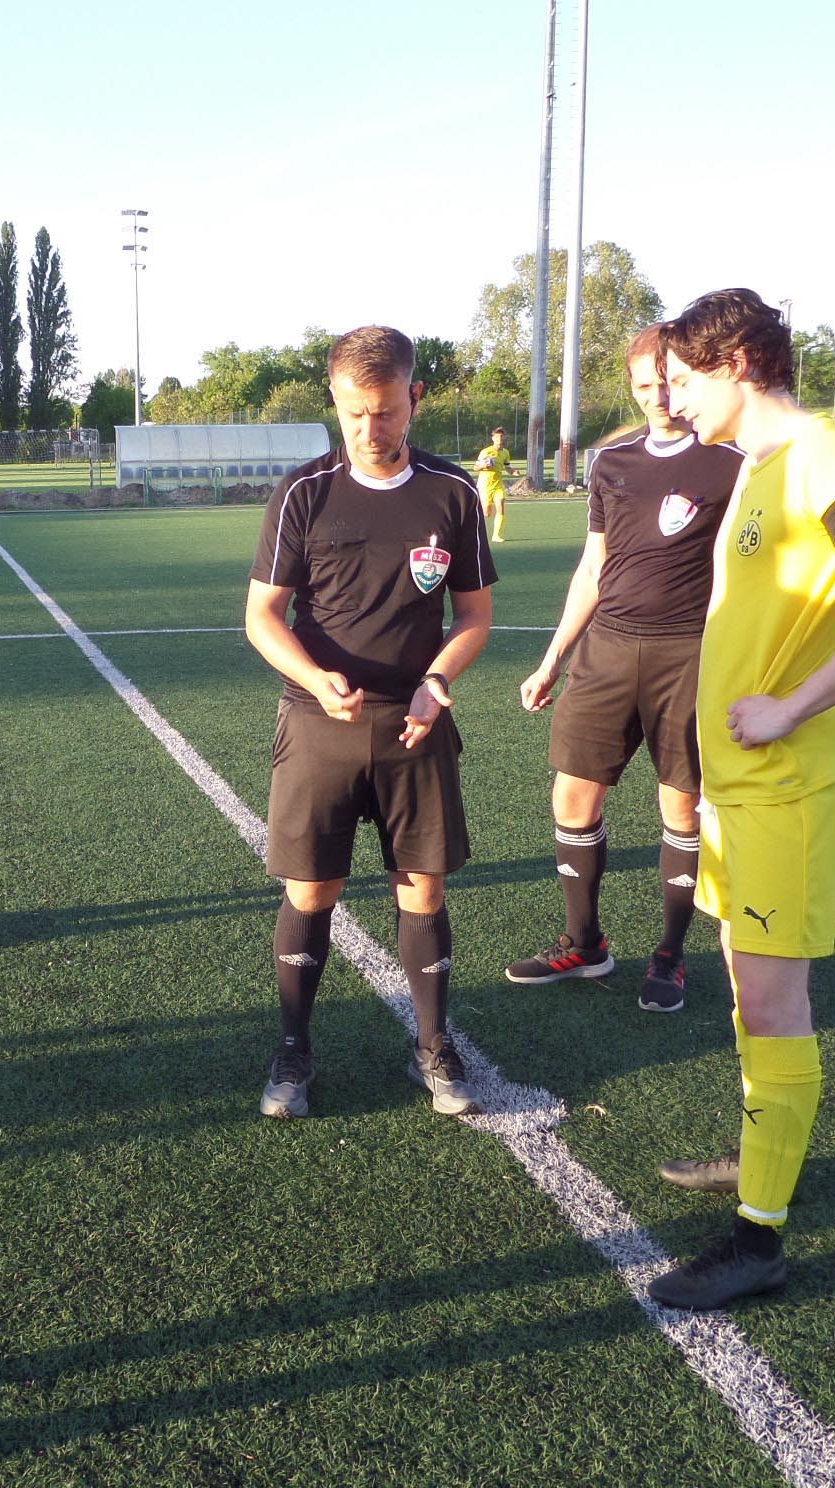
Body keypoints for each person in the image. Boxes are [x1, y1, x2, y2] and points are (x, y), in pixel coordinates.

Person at [645, 288, 835, 1310]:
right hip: (741, 785)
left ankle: (756, 1240)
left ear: (737, 364)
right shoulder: (760, 465)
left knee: (773, 1003)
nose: (673, 399)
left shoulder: (823, 458)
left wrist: (789, 708)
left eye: (685, 379)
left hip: (788, 784)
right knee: (744, 987)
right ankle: (760, 1148)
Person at [245, 325, 497, 1120]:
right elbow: (261, 616)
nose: (369, 428)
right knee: (311, 889)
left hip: (414, 726)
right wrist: (313, 677)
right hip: (318, 722)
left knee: (422, 890)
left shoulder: (452, 493)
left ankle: (434, 1046)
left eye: (385, 411)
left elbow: (474, 617)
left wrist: (436, 680)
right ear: (335, 400)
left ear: (414, 398)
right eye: (354, 412)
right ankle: (293, 1048)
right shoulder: (303, 493)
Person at [509, 323, 745, 1012]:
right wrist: (552, 658)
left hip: (688, 655)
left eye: (668, 383)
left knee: (680, 804)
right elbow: (594, 565)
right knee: (572, 797)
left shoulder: (731, 462)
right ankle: (585, 944)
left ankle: (670, 955)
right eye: (644, 386)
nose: (657, 397)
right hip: (607, 650)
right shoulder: (611, 462)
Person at [475, 426, 512, 542]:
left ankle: (496, 535)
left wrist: (513, 472)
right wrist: (483, 466)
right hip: (485, 485)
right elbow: (475, 468)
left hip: (498, 484)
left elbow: (508, 467)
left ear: (504, 438)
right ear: (493, 438)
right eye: (497, 436)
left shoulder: (505, 453)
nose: (499, 438)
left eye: (501, 436)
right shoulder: (486, 452)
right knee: (486, 513)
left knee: (500, 505)